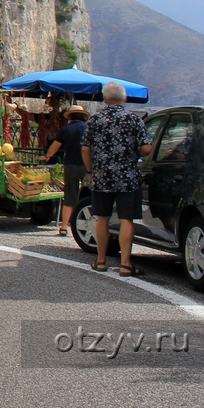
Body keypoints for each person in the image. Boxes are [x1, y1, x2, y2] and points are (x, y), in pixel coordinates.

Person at [81, 82, 153, 276]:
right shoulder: (133, 119)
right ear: (125, 98)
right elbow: (147, 148)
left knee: (102, 218)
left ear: (105, 99)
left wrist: (90, 171)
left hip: (102, 176)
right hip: (128, 176)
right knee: (126, 219)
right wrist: (132, 153)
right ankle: (125, 264)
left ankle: (101, 261)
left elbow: (85, 148)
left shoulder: (95, 120)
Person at [44, 105, 88, 237]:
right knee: (88, 195)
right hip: (87, 166)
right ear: (83, 117)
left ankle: (63, 227)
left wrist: (47, 157)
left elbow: (54, 147)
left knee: (70, 195)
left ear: (70, 117)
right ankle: (85, 223)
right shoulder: (89, 129)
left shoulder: (66, 130)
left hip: (71, 165)